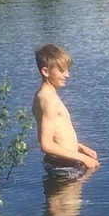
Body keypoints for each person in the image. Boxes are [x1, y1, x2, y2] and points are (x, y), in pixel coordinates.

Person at [33, 44, 99, 177]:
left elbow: (50, 136)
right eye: (62, 70)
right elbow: (46, 144)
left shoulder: (41, 95)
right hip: (64, 165)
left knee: (59, 198)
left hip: (60, 163)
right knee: (67, 198)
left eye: (67, 70)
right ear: (46, 71)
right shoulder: (50, 100)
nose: (67, 75)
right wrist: (84, 158)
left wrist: (79, 146)